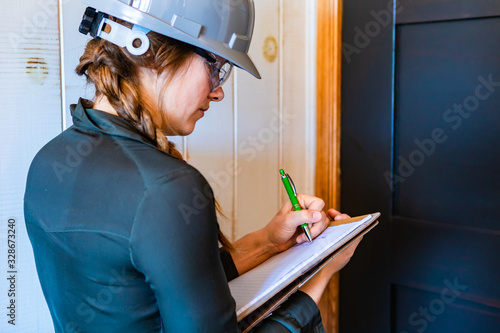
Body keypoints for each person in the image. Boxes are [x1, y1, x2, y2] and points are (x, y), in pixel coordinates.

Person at [24, 1, 362, 332]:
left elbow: (154, 288)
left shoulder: (48, 161)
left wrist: (270, 242)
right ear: (151, 53)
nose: (218, 93)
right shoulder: (166, 188)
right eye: (215, 66)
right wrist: (320, 276)